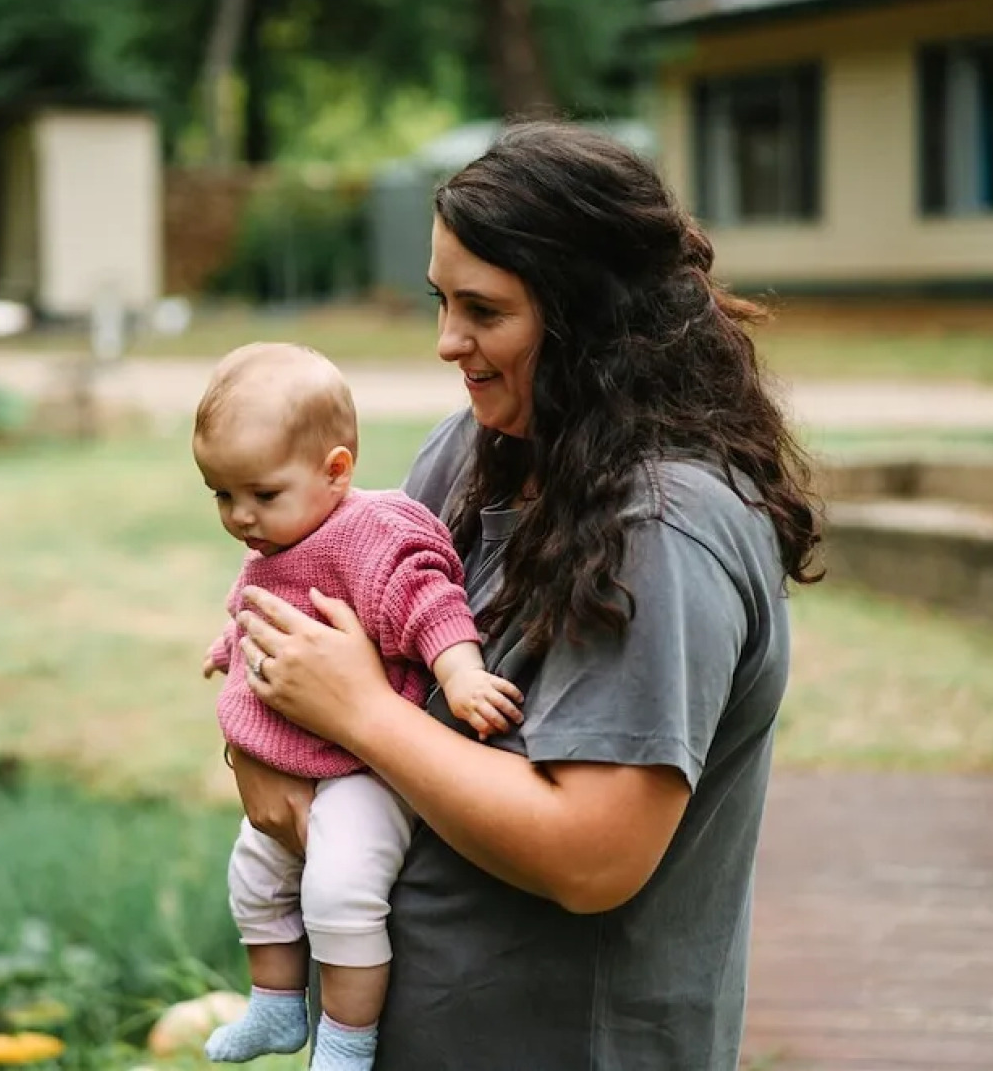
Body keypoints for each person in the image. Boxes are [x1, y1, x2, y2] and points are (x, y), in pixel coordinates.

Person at [222, 121, 823, 1070]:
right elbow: (318, 640)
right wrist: (254, 751)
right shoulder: (471, 453)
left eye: (483, 311)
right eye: (440, 300)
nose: (446, 342)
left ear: (587, 316)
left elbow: (590, 856)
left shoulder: (662, 529)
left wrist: (361, 717)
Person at [192, 341, 525, 1070]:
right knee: (252, 876)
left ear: (335, 471)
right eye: (221, 496)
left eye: (260, 494)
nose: (241, 517)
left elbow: (430, 602)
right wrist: (229, 648)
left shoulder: (371, 534)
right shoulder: (284, 532)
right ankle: (278, 1008)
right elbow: (257, 607)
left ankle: (345, 1043)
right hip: (296, 759)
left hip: (363, 771)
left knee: (339, 891)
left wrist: (461, 673)